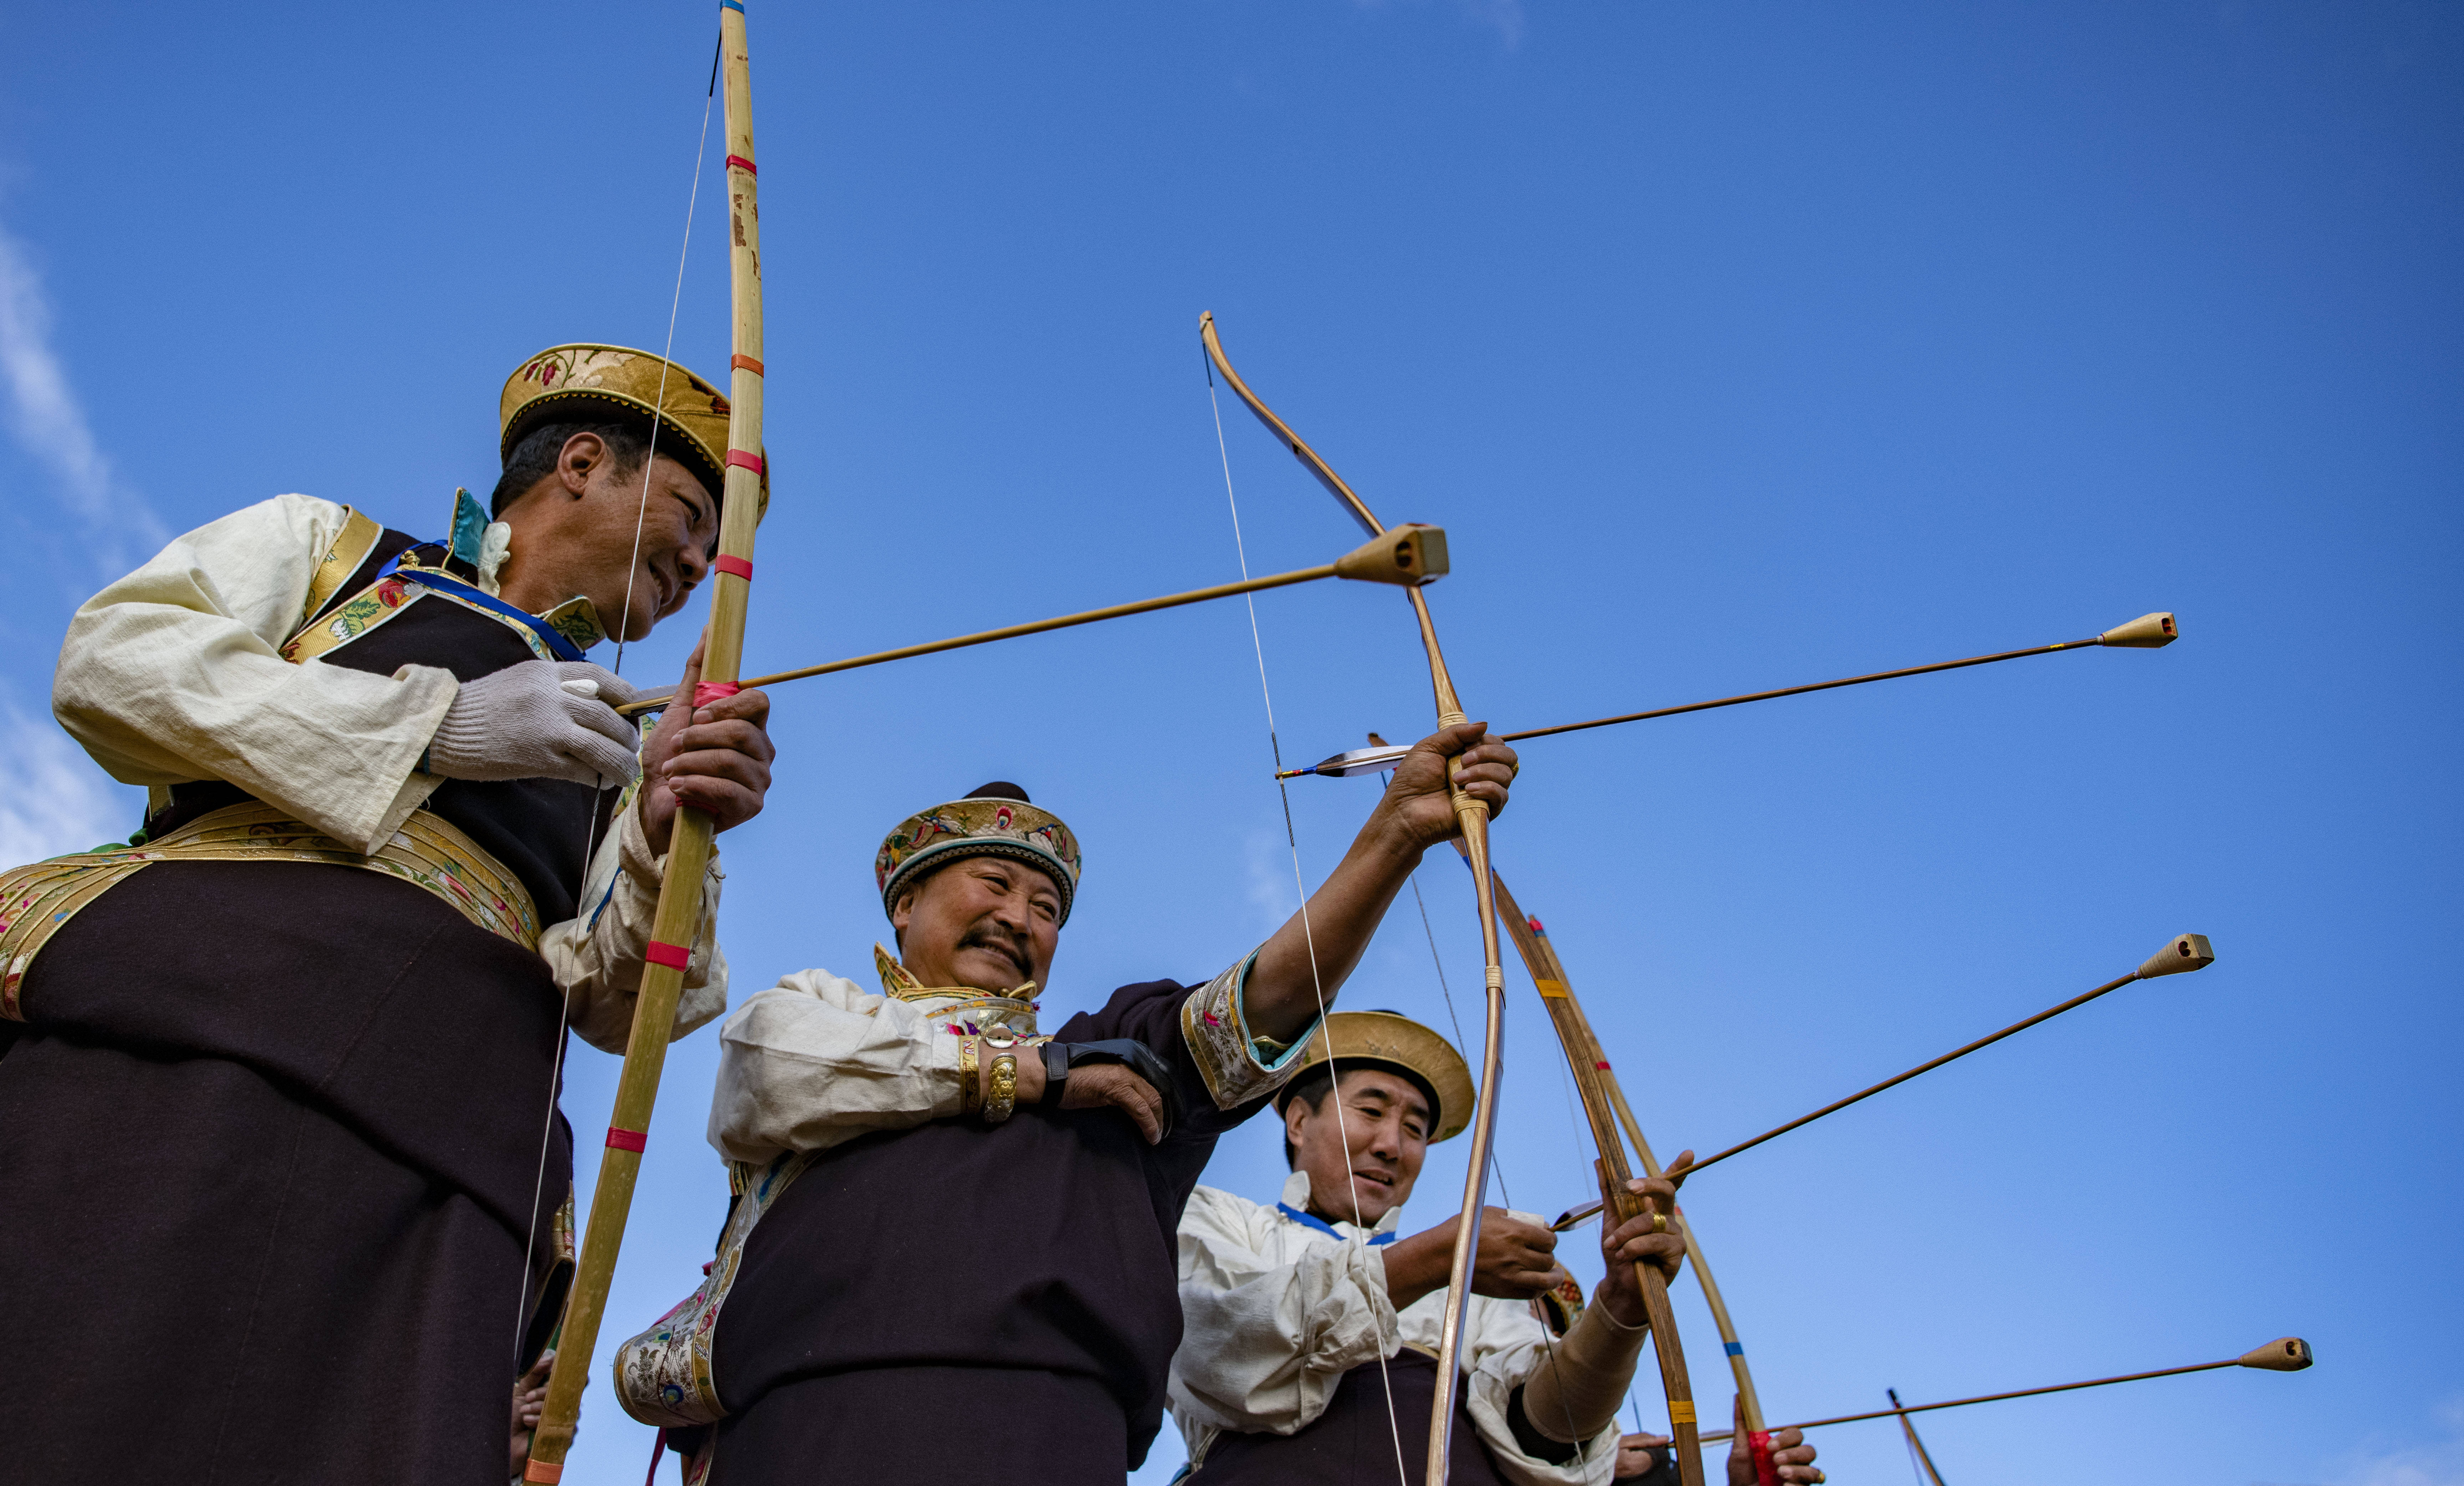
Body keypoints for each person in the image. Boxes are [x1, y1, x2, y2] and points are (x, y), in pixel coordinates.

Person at [0, 344, 778, 1484]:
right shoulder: (335, 551)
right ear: (578, 462)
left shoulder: (621, 737)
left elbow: (622, 1003)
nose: (704, 562)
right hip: (197, 1000)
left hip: (459, 1106)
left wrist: (666, 820)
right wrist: (440, 723)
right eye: (693, 516)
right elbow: (118, 661)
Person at [614, 727, 1519, 1485]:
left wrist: (1394, 836)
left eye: (1046, 905)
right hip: (815, 1416)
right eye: (993, 884)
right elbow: (765, 1077)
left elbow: (1262, 1000)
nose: (1021, 917)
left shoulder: (1117, 1047)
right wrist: (1031, 1073)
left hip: (1050, 1427)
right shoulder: (821, 1012)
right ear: (906, 901)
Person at [1169, 1012, 1823, 1486]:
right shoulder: (1220, 1220)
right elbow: (1213, 1345)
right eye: (1371, 1111)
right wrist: (1436, 1256)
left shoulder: (1472, 1286)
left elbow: (1550, 1424)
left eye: (1417, 1128)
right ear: (1298, 1119)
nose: (1394, 1145)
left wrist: (1621, 1306)